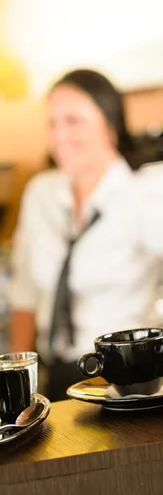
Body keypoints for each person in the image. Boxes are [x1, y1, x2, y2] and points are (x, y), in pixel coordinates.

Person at [10, 68, 163, 401]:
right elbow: (24, 298)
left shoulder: (146, 192)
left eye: (73, 121)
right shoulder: (41, 194)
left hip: (128, 376)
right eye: (52, 123)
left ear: (109, 123)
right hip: (59, 374)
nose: (59, 135)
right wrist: (20, 389)